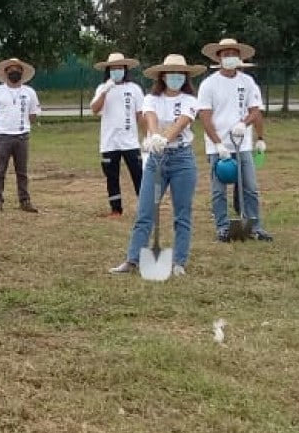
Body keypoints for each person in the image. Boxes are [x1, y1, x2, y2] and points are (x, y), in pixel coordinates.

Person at [109, 55, 207, 277]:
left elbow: (182, 123)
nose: (175, 77)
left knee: (182, 213)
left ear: (185, 76)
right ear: (162, 76)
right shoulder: (151, 99)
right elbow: (150, 118)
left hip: (182, 160)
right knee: (145, 211)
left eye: (179, 73)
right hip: (156, 160)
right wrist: (154, 137)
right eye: (171, 73)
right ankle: (132, 259)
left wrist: (166, 138)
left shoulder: (191, 100)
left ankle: (179, 262)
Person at [198, 37, 272, 242]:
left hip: (243, 144)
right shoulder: (209, 84)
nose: (230, 57)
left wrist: (245, 125)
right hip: (218, 146)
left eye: (234, 54)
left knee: (250, 187)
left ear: (239, 58)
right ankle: (222, 227)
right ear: (219, 57)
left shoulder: (247, 82)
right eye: (226, 54)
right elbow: (205, 116)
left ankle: (254, 226)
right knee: (219, 189)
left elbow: (256, 109)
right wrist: (218, 144)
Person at [90, 51, 145, 218]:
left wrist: (147, 135)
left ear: (125, 69)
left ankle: (144, 208)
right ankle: (116, 209)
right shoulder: (102, 88)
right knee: (111, 177)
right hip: (109, 142)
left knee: (138, 175)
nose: (117, 71)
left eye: (120, 68)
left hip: (130, 142)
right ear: (108, 70)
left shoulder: (134, 89)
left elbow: (140, 114)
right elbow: (94, 109)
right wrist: (105, 91)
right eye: (113, 68)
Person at [0, 57, 42, 212]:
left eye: (17, 69)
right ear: (5, 72)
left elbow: (33, 114)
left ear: (22, 73)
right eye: (10, 69)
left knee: (22, 171)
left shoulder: (29, 92)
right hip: (3, 136)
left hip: (22, 136)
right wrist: (2, 126)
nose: (14, 72)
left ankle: (24, 201)